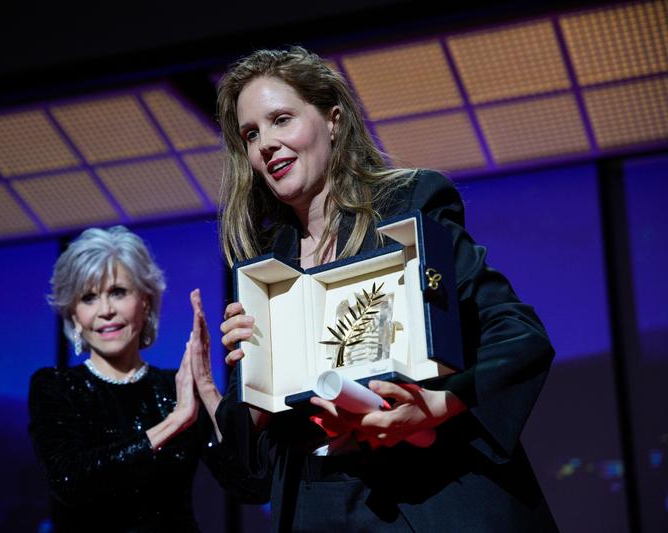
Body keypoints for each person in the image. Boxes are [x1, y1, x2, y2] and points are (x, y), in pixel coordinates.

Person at [213, 46, 559, 531]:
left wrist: (435, 407)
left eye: (281, 119)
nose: (266, 144)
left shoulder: (408, 206)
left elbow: (518, 335)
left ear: (332, 120)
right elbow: (245, 477)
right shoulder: (264, 273)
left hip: (429, 499)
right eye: (251, 134)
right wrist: (250, 389)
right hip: (320, 511)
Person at [28, 226, 233, 532]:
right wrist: (174, 422)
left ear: (145, 301)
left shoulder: (176, 388)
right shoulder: (55, 387)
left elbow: (246, 485)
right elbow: (70, 482)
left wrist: (206, 388)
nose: (106, 310)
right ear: (73, 316)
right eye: (88, 298)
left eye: (118, 292)